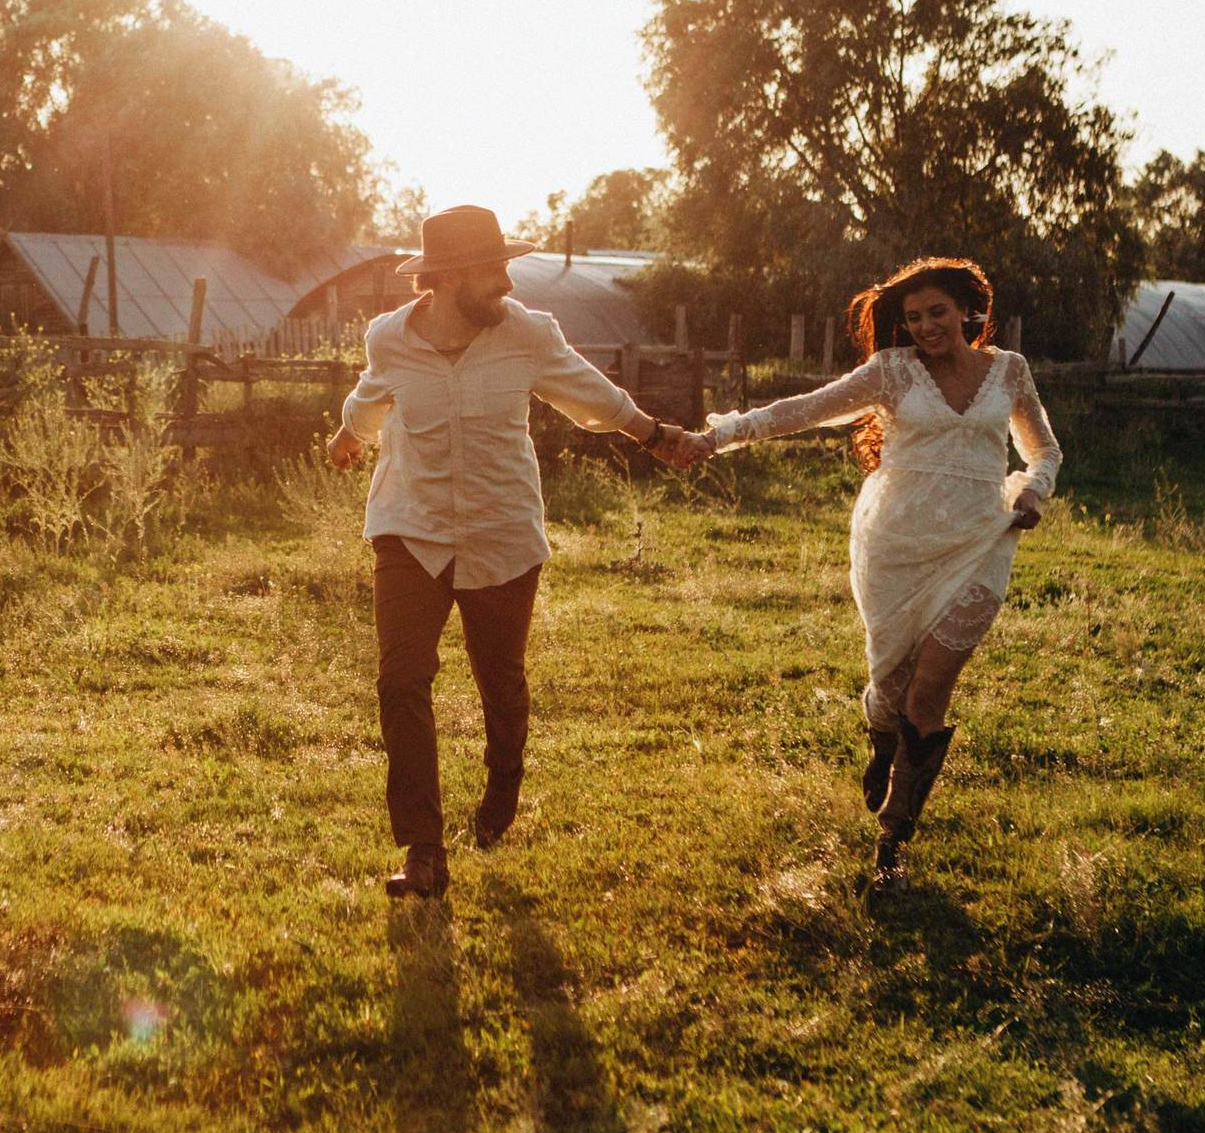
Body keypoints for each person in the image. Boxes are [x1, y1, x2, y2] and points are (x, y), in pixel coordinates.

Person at [662, 257, 1061, 889]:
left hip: (983, 541)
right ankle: (882, 733)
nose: (926, 326)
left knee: (930, 691)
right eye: (912, 317)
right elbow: (804, 410)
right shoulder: (893, 372)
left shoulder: (1009, 370)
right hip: (897, 544)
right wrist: (714, 439)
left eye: (937, 312)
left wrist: (1033, 491)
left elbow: (1043, 448)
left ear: (966, 310)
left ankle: (892, 843)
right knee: (895, 688)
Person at [328, 204, 688, 899]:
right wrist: (348, 436)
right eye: (492, 270)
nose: (506, 283)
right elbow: (371, 397)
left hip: (501, 531)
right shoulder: (389, 338)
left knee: (501, 683)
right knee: (401, 681)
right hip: (411, 528)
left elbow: (593, 397)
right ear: (447, 277)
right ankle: (424, 849)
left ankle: (502, 784)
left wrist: (655, 434)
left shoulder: (527, 333)